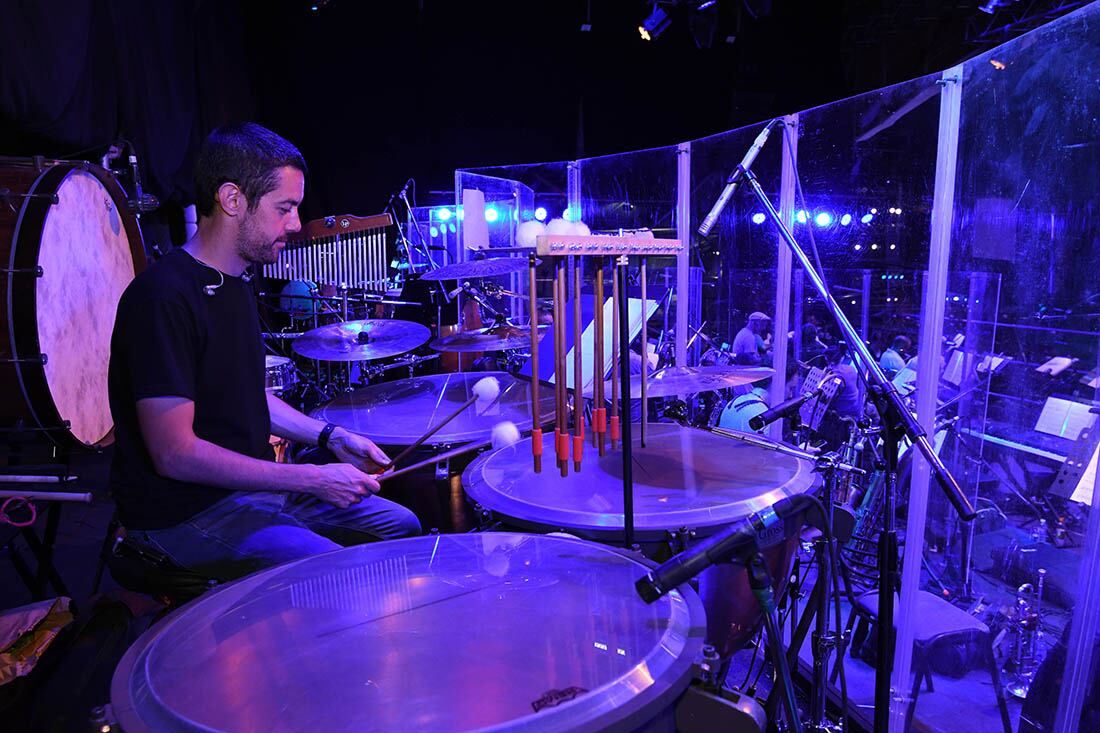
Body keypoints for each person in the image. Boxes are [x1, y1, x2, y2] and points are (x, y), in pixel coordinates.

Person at [108, 122, 420, 583]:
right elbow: (174, 454)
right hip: (184, 513)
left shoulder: (236, 282)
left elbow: (247, 396)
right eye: (284, 208)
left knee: (403, 527)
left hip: (246, 492)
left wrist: (330, 437)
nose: (295, 225)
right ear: (233, 200)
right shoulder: (163, 298)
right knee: (336, 572)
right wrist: (313, 478)